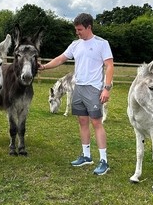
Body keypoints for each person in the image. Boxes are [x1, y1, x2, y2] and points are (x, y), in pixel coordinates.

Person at [39, 13, 114, 175]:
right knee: (82, 121)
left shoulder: (102, 44)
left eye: (79, 29)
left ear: (89, 27)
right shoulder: (75, 45)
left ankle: (104, 161)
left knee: (96, 123)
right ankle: (86, 156)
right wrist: (44, 67)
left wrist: (106, 88)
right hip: (78, 88)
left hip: (94, 88)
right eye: (76, 29)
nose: (77, 32)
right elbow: (61, 59)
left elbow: (109, 65)